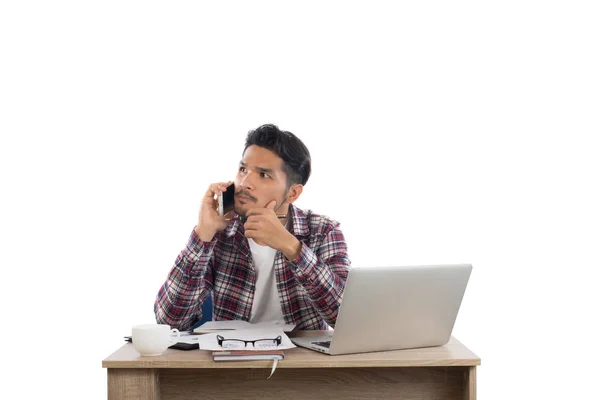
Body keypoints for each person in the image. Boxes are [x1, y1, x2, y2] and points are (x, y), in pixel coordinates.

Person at [154, 124, 351, 331]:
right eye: (243, 170)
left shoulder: (323, 231)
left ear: (293, 193)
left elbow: (347, 319)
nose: (245, 182)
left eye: (263, 175)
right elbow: (169, 322)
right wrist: (203, 234)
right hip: (232, 360)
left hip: (301, 361)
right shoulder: (220, 233)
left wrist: (292, 248)